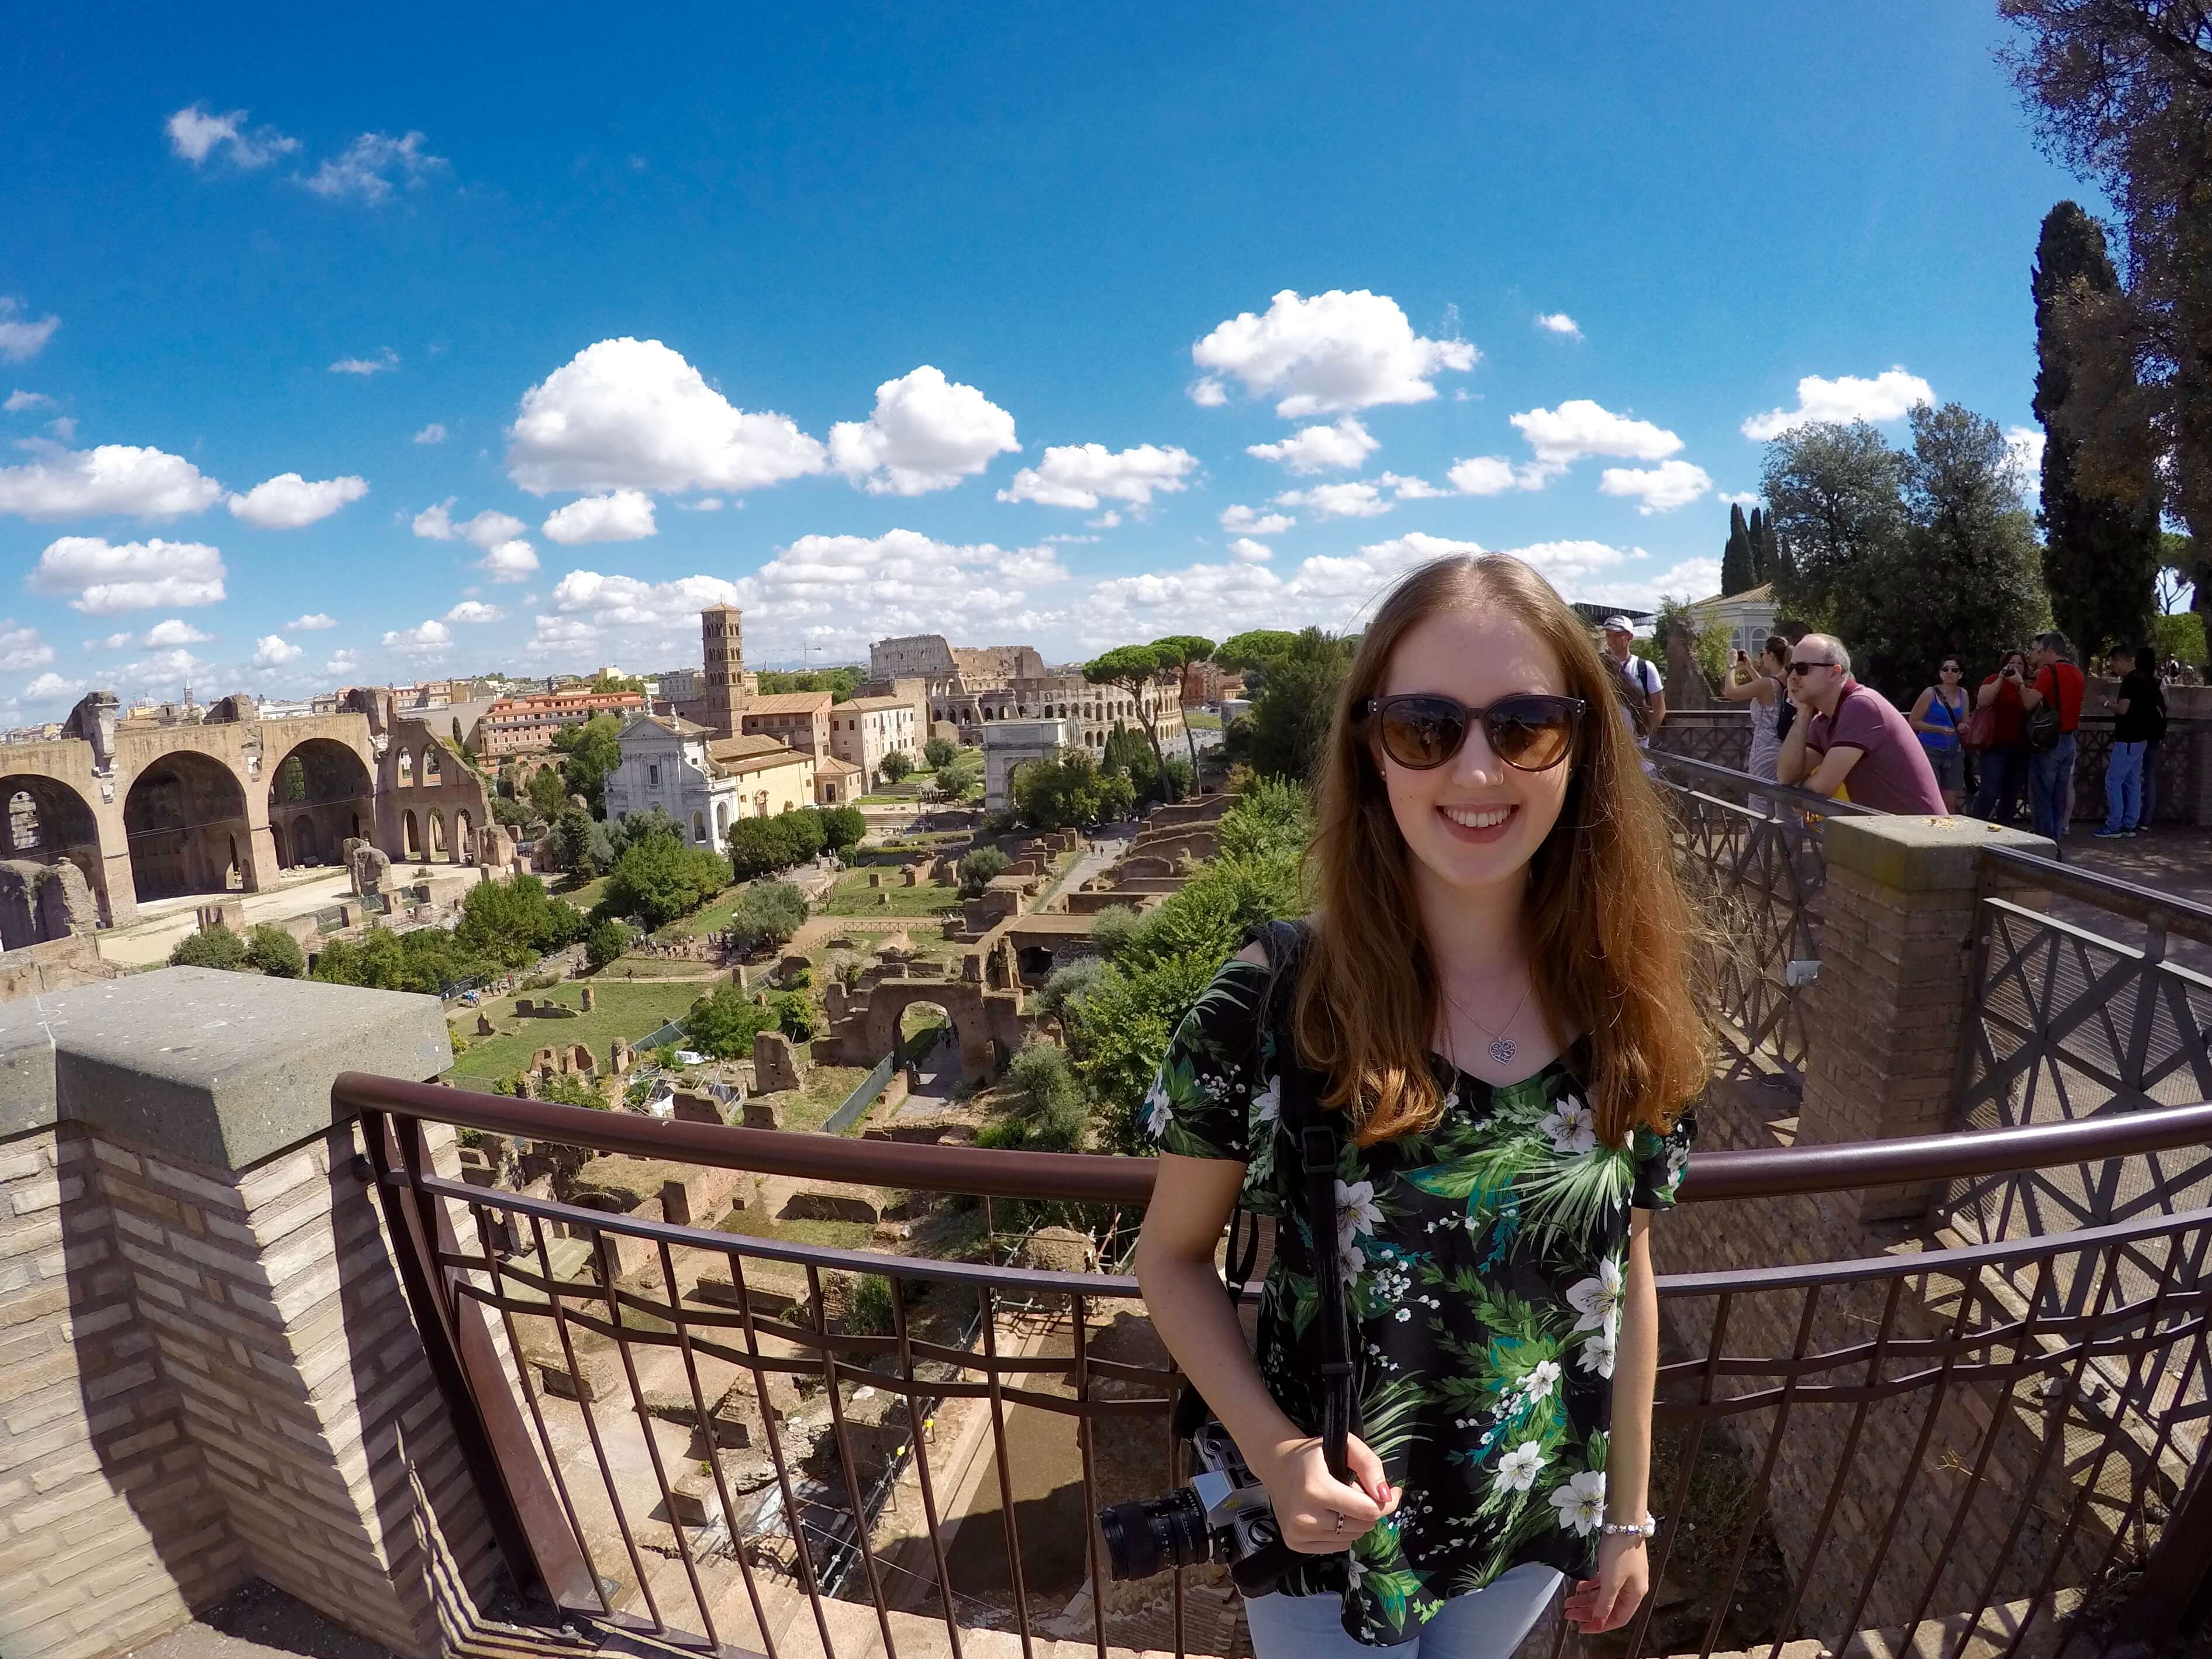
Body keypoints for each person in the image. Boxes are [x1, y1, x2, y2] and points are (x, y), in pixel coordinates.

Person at [1136, 555, 1706, 1658]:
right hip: (1329, 1536)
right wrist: (1276, 1455)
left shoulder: (1626, 1005)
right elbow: (1169, 1257)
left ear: (1581, 746)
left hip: (1529, 1517)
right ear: (1370, 748)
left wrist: (1626, 1515)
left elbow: (1626, 1268)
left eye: (1525, 726)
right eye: (1426, 728)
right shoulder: (1269, 1000)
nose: (1476, 768)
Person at [1774, 634, 1945, 813]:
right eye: (1790, 668)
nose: (1792, 677)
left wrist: (1800, 796)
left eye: (1802, 668)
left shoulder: (1861, 706)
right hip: (1889, 827)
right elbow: (1786, 775)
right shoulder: (1823, 720)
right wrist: (1803, 713)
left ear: (1834, 672)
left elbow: (1821, 789)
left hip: (1920, 829)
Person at [2021, 630, 2085, 846]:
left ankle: (2045, 847)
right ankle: (2056, 843)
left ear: (2050, 650)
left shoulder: (2050, 671)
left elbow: (2029, 702)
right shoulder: (2077, 673)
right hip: (2069, 741)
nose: (2038, 655)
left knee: (2042, 797)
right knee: (2059, 797)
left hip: (2049, 742)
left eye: (2040, 651)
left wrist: (2019, 684)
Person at [2097, 645, 2166, 837]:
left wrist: (2105, 702)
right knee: (2132, 781)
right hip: (2141, 739)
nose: (2113, 668)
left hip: (2127, 738)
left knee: (2113, 781)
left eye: (2113, 664)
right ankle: (2129, 823)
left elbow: (2123, 709)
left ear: (2120, 660)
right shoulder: (2147, 680)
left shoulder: (2130, 680)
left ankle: (2114, 825)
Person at [1719, 636, 1790, 806]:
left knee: (1761, 800)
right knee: (1780, 802)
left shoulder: (1768, 684)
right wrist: (1750, 668)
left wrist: (1732, 666)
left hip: (1766, 748)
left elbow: (1730, 692)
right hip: (1785, 746)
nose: (1762, 657)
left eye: (1762, 654)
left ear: (1771, 656)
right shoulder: (1785, 679)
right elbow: (1765, 689)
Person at [1969, 650, 2032, 825]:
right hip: (1995, 745)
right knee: (1990, 791)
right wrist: (2001, 678)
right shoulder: (1993, 680)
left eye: (2020, 663)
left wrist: (2020, 685)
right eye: (2012, 662)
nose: (2016, 666)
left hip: (2020, 747)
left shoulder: (2027, 686)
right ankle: (1976, 826)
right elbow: (1983, 701)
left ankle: (2003, 829)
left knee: (2011, 794)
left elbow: (2031, 707)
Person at [1907, 658, 1972, 812]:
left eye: (1954, 670)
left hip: (1954, 752)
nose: (1950, 673)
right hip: (1929, 750)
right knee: (1930, 799)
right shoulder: (1930, 693)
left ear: (1960, 675)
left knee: (1950, 801)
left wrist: (1963, 727)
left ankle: (1948, 826)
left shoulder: (1963, 694)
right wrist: (1937, 729)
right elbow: (1914, 721)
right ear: (1940, 673)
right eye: (1946, 669)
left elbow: (1966, 721)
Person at [1599, 615, 1665, 748]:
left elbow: (1659, 709)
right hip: (1606, 744)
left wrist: (1646, 737)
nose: (1611, 641)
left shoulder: (1645, 668)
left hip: (1637, 746)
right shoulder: (1600, 667)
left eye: (1617, 635)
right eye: (1608, 636)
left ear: (1629, 637)